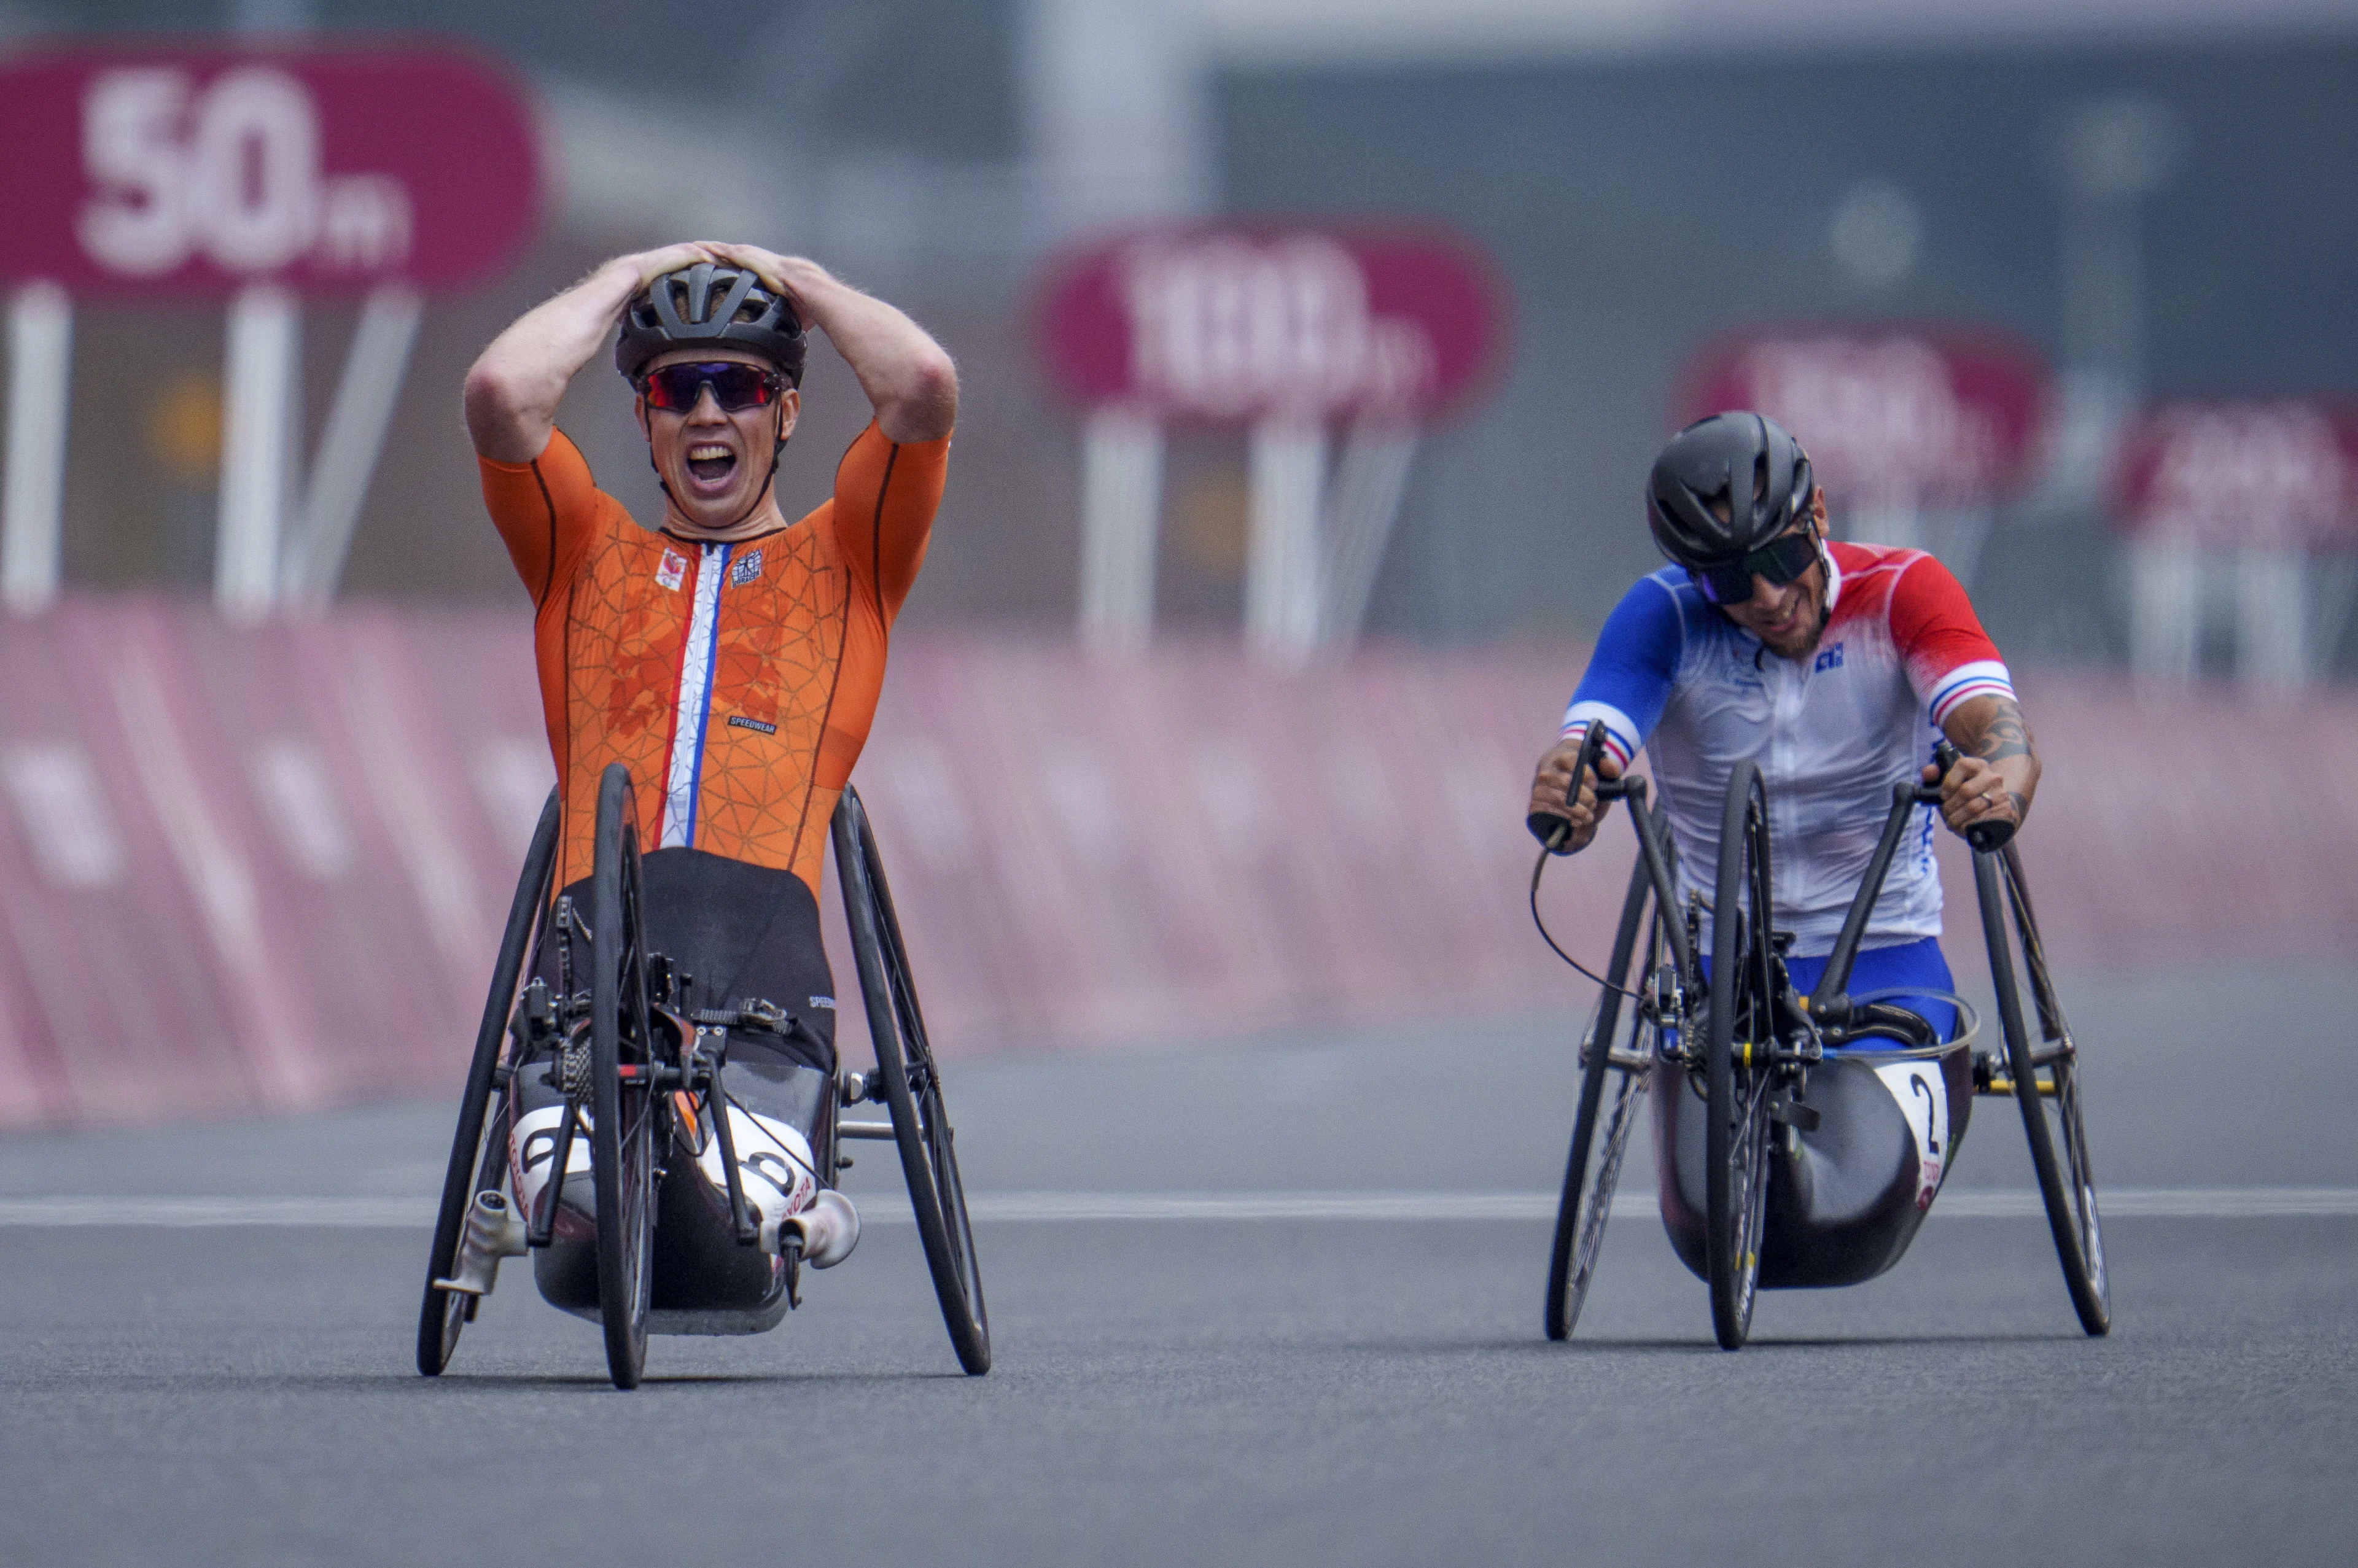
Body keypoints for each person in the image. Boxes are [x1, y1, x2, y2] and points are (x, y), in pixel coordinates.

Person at [461, 243, 956, 1306]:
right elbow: (501, 395)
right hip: (590, 960)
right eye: (675, 389)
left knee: (732, 1224)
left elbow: (922, 388)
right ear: (643, 420)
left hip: (762, 972)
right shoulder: (584, 554)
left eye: (738, 386)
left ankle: (794, 1211)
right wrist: (622, 274)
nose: (706, 413)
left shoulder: (850, 560)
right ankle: (582, 1163)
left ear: (784, 414)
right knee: (587, 1203)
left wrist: (804, 282)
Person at [1527, 410, 2036, 1022]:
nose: (1768, 597)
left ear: (1818, 514)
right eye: (1732, 579)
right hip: (1718, 965)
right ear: (1695, 577)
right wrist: (1569, 793)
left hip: (1886, 953)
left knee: (1866, 1120)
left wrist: (1996, 786)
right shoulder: (1664, 613)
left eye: (1780, 556)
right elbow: (1586, 746)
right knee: (1706, 1104)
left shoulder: (1905, 589)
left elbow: (1996, 729)